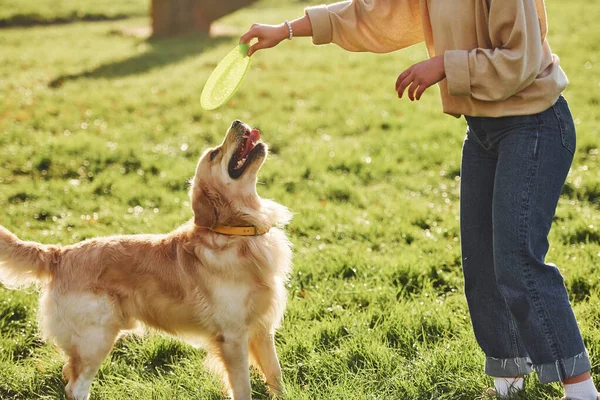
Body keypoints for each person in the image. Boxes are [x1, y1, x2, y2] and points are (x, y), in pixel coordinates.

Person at [240, 1, 599, 399]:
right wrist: (286, 29)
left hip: (534, 124)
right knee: (480, 262)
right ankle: (510, 381)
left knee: (516, 259)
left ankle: (580, 389)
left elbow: (522, 60)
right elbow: (370, 13)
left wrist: (446, 63)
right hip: (483, 131)